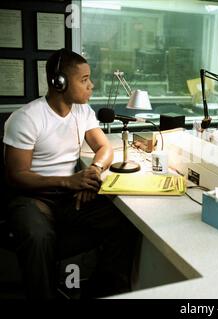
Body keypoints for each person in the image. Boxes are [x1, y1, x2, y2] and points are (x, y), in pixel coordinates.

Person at [3, 48, 139, 299]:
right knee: (37, 236)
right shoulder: (26, 118)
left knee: (123, 223)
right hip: (34, 197)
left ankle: (103, 290)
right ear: (59, 83)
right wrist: (69, 181)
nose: (92, 85)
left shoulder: (83, 112)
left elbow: (104, 147)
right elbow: (16, 175)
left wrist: (93, 172)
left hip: (71, 195)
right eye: (84, 80)